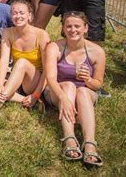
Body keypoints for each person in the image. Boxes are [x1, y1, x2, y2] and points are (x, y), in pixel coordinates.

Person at [43, 11, 105, 167]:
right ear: (63, 29)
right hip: (58, 91)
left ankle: (90, 143)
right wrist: (63, 97)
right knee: (69, 86)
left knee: (83, 91)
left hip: (85, 94)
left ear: (86, 28)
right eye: (68, 26)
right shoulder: (54, 47)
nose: (73, 30)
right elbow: (50, 79)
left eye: (77, 26)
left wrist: (88, 79)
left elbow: (98, 84)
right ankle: (69, 138)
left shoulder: (97, 52)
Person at [0, 0, 50, 120]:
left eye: (22, 13)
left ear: (30, 15)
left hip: (34, 81)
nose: (18, 16)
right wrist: (1, 84)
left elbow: (48, 69)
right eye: (14, 13)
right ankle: (26, 100)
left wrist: (36, 93)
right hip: (16, 79)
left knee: (22, 62)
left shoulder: (41, 34)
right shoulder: (8, 32)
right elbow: (4, 59)